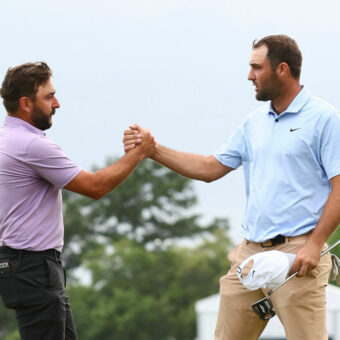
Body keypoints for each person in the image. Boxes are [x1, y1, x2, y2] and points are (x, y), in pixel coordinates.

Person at [123, 35, 340, 340]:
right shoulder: (253, 123)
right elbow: (210, 168)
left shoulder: (325, 119)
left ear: (281, 69)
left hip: (299, 255)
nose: (249, 75)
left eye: (256, 67)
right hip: (249, 255)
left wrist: (315, 245)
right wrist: (152, 150)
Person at [0, 61, 156, 340]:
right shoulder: (31, 145)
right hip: (34, 268)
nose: (57, 103)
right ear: (25, 103)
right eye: (49, 96)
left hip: (26, 267)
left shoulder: (6, 138)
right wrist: (139, 152)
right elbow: (95, 187)